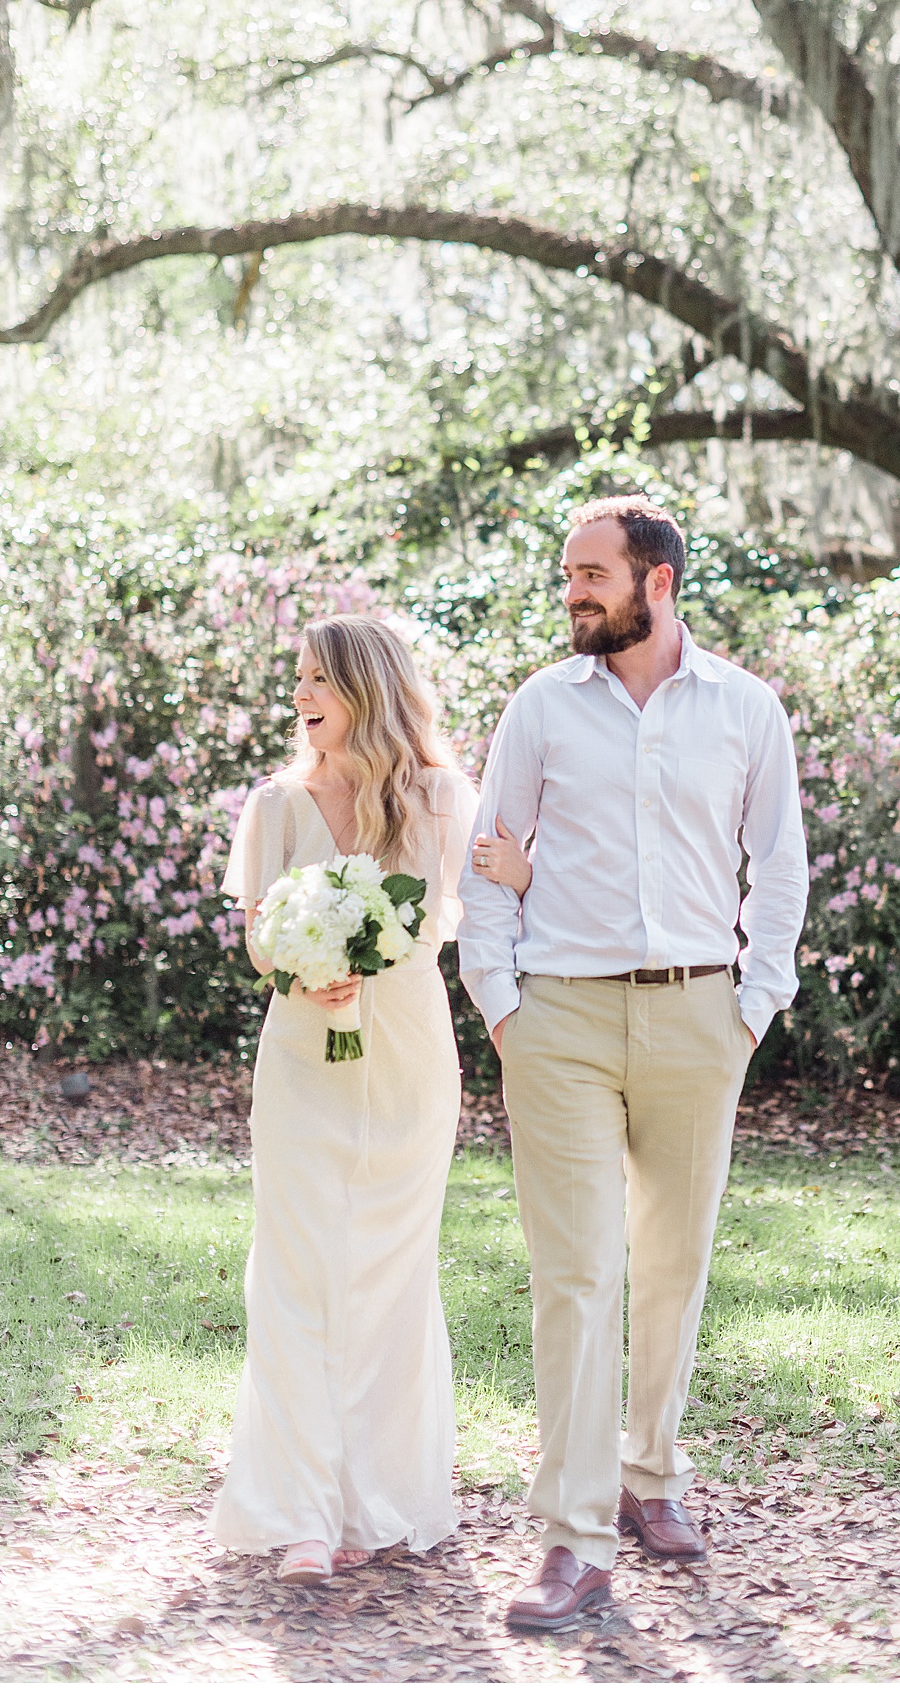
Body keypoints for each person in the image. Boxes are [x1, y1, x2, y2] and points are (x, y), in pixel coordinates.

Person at [459, 496, 808, 1633]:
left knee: (670, 1263)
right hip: (555, 1021)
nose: (573, 591)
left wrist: (751, 1006)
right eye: (569, 573)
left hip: (698, 1016)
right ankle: (572, 1538)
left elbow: (781, 870)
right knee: (574, 1276)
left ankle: (649, 1473)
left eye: (592, 573)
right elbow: (484, 863)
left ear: (656, 581)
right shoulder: (540, 707)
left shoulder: (745, 709)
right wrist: (503, 1005)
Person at [212, 613, 530, 1585]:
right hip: (301, 1055)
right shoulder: (276, 803)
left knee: (387, 1274)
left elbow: (495, 902)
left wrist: (521, 877)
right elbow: (261, 933)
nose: (302, 692)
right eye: (298, 677)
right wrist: (301, 967)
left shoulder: (438, 795)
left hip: (404, 1054)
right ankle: (302, 1510)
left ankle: (374, 1498)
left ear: (367, 686)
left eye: (320, 677)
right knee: (298, 1270)